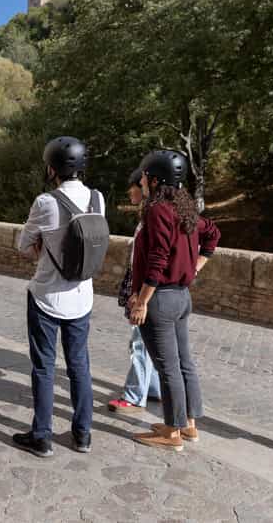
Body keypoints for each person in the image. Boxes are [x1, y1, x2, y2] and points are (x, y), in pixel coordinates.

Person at [13, 136, 105, 457]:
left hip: (47, 297)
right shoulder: (98, 198)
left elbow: (23, 245)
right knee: (79, 365)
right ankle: (82, 434)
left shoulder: (45, 202)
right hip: (82, 296)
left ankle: (42, 437)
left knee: (44, 367)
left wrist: (42, 245)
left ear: (52, 168)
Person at [129, 150, 220, 451]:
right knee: (184, 364)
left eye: (144, 176)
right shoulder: (183, 208)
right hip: (181, 297)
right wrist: (195, 266)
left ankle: (171, 433)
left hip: (161, 300)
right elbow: (213, 233)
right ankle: (188, 425)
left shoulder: (157, 211)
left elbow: (157, 259)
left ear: (155, 180)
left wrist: (142, 302)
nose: (141, 181)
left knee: (168, 368)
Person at [108, 167, 161, 414]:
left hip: (146, 288)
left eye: (134, 186)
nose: (130, 191)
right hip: (144, 285)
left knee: (140, 341)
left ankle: (134, 396)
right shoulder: (151, 213)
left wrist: (140, 295)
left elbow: (156, 259)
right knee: (146, 340)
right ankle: (153, 388)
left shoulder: (155, 215)